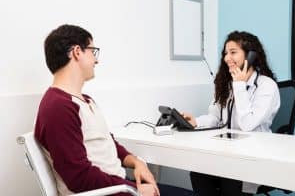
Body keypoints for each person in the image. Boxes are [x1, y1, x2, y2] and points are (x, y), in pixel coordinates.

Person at [34, 24, 160, 196]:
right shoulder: (58, 107)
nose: (96, 60)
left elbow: (108, 144)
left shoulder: (85, 101)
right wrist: (134, 189)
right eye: (93, 52)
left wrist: (137, 163)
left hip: (120, 188)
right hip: (112, 191)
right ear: (77, 52)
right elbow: (78, 177)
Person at [182, 31, 280, 196]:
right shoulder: (226, 84)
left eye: (233, 52)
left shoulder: (266, 86)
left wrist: (240, 86)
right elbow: (216, 117)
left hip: (253, 156)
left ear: (251, 55)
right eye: (225, 53)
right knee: (198, 172)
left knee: (231, 177)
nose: (227, 58)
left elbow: (247, 125)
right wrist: (196, 122)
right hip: (228, 153)